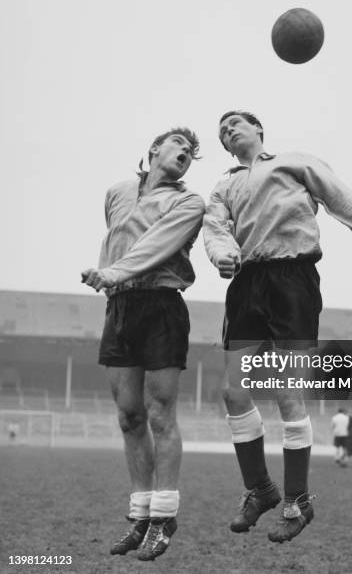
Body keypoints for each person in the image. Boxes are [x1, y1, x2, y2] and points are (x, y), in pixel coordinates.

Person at [203, 110, 352, 543]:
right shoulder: (224, 185)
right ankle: (260, 490)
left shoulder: (294, 162)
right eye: (222, 130)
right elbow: (215, 228)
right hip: (246, 285)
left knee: (286, 391)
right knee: (233, 390)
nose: (228, 130)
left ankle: (298, 502)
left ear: (258, 129)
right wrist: (221, 253)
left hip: (292, 281)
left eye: (235, 123)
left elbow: (347, 205)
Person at [81, 128, 205, 562]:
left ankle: (164, 517)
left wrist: (113, 272)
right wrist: (109, 278)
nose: (187, 154)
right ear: (154, 150)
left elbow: (154, 247)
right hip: (120, 307)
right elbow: (114, 238)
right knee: (129, 417)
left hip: (160, 306)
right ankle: (140, 516)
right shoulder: (117, 192)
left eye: (192, 153)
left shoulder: (189, 202)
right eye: (180, 146)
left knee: (159, 414)